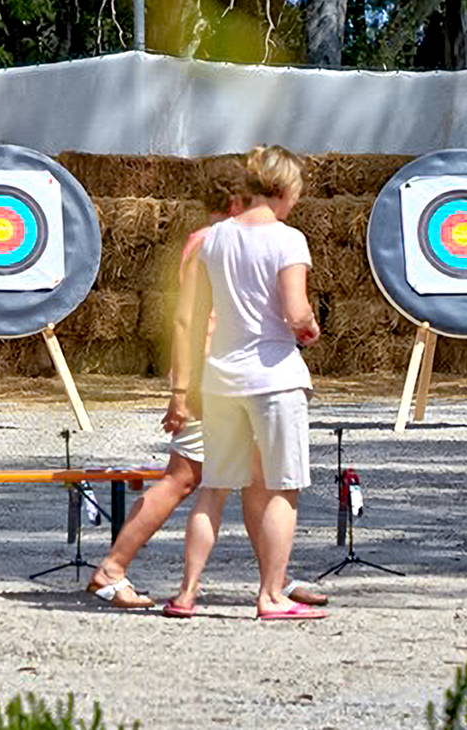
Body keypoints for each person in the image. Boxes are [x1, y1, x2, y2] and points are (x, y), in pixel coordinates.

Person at [85, 156, 328, 611]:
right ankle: (113, 568)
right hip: (223, 374)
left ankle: (268, 577)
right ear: (241, 199)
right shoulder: (226, 240)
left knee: (247, 482)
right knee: (187, 478)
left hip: (219, 374)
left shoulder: (214, 240)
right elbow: (187, 320)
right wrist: (182, 390)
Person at [163, 145, 325, 621]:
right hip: (273, 376)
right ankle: (271, 595)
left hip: (221, 377)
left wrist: (184, 386)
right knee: (282, 488)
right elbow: (295, 311)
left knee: (213, 488)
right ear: (283, 188)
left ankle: (187, 592)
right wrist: (309, 327)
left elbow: (194, 317)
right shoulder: (288, 240)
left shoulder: (213, 238)